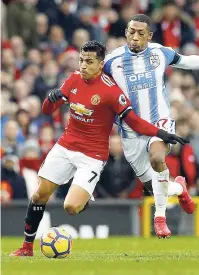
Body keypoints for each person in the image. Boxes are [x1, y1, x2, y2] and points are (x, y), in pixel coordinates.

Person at [10, 41, 187, 256]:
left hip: (92, 155)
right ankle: (27, 247)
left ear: (101, 64)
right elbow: (47, 110)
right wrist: (51, 99)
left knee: (71, 208)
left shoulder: (111, 91)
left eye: (89, 62)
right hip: (66, 146)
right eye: (82, 60)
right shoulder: (74, 79)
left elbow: (133, 121)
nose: (83, 65)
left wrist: (160, 133)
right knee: (40, 195)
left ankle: (85, 196)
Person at [104, 14, 199, 238]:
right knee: (156, 185)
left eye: (141, 33)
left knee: (157, 158)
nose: (135, 37)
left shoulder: (160, 53)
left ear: (149, 35)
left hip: (158, 120)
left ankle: (159, 218)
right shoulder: (112, 61)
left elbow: (187, 61)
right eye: (131, 32)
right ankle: (179, 188)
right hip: (130, 130)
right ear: (125, 33)